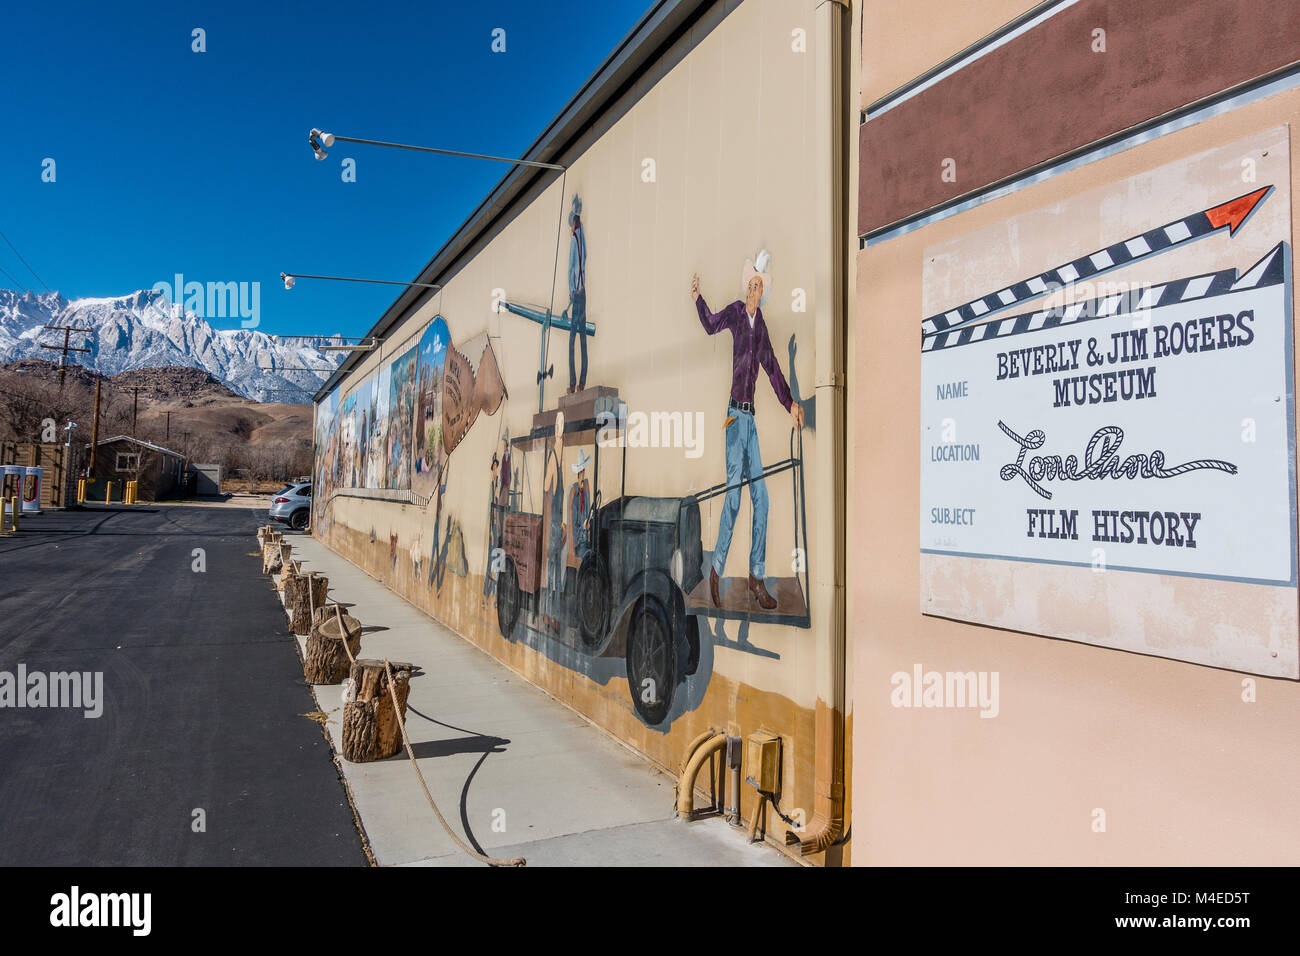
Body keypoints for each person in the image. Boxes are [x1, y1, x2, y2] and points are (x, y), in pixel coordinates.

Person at [690, 249, 804, 611]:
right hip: (733, 418)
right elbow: (711, 324)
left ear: (763, 293)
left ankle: (756, 578)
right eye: (752, 285)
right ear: (746, 288)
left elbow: (772, 369)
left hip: (750, 420)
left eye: (759, 287)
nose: (754, 291)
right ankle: (716, 570)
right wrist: (698, 299)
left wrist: (790, 404)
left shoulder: (762, 327)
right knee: (735, 498)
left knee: (762, 500)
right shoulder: (737, 313)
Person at [542, 411, 567, 630]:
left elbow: (549, 487)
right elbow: (547, 488)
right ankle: (549, 614)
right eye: (559, 425)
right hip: (553, 525)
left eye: (562, 425)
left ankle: (552, 615)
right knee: (552, 573)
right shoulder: (555, 457)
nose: (561, 429)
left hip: (557, 526)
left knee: (556, 574)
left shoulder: (560, 456)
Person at [567, 195, 588, 394]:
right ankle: (582, 381)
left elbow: (570, 269)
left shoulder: (574, 239)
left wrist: (571, 289)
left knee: (572, 339)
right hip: (584, 292)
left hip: (576, 293)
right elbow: (585, 257)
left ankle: (573, 383)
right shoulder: (583, 236)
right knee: (582, 338)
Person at [482, 453, 500, 609]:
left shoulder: (499, 484)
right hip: (493, 528)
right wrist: (492, 531)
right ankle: (485, 595)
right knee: (490, 562)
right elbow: (490, 510)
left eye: (496, 467)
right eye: (493, 467)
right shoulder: (492, 486)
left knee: (498, 562)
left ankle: (494, 596)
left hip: (499, 528)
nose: (495, 470)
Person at [568, 449, 592, 562]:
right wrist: (582, 526)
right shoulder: (574, 491)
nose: (582, 473)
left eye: (583, 471)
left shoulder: (585, 491)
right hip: (578, 537)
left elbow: (587, 510)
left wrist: (587, 524)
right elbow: (573, 520)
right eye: (581, 471)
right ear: (578, 473)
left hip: (585, 534)